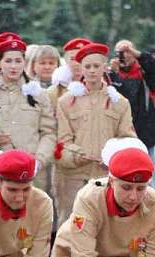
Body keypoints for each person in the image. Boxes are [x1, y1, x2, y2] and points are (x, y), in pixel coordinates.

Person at [54, 42, 136, 226]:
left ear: (105, 67)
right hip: (74, 175)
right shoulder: (66, 102)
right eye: (87, 66)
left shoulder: (120, 102)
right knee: (71, 222)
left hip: (106, 175)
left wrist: (113, 159)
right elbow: (62, 140)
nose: (91, 71)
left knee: (105, 224)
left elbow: (127, 138)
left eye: (96, 66)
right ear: (80, 68)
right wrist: (76, 156)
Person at [0, 36, 55, 197]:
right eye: (8, 61)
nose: (13, 66)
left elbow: (49, 133)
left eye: (18, 61)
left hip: (33, 174)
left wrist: (39, 160)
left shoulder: (39, 95)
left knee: (34, 219)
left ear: (24, 62)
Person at [109, 39, 155, 165]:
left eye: (128, 51)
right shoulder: (111, 75)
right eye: (120, 52)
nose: (125, 55)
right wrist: (113, 74)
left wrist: (138, 54)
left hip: (144, 132)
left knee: (147, 172)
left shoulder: (144, 73)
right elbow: (121, 98)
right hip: (120, 133)